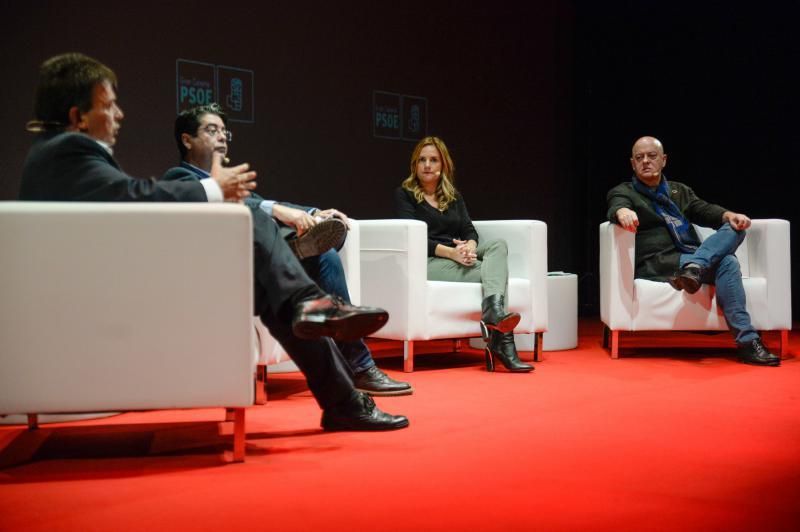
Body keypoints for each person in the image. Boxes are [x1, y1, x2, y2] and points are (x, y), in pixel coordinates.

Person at [19, 52, 410, 430]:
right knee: (255, 226)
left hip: (121, 277)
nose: (119, 114)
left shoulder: (57, 156)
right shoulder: (67, 154)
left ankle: (338, 389)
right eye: (109, 105)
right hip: (115, 293)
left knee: (274, 290)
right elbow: (135, 197)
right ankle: (314, 314)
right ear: (78, 116)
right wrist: (215, 191)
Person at [161, 104, 412, 396]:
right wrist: (279, 210)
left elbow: (260, 201)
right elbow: (244, 204)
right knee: (273, 223)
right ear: (187, 139)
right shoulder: (179, 179)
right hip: (226, 270)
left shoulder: (228, 181)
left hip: (259, 264)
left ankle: (359, 365)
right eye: (211, 130)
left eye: (224, 131)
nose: (222, 137)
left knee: (325, 256)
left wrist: (313, 212)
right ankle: (296, 258)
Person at [606, 135, 780, 366]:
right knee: (728, 262)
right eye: (640, 157)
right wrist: (622, 213)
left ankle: (695, 267)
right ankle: (748, 342)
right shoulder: (625, 191)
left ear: (664, 160)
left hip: (687, 257)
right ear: (632, 163)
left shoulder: (679, 191)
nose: (646, 161)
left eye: (652, 156)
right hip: (659, 260)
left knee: (735, 229)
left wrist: (729, 215)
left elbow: (705, 210)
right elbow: (616, 204)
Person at [394, 136, 534, 373]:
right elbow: (413, 238)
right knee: (495, 275)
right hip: (427, 260)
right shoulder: (404, 194)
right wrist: (452, 253)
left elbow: (470, 230)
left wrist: (469, 245)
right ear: (414, 165)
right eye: (422, 160)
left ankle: (494, 314)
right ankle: (503, 345)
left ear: (443, 166)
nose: (427, 165)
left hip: (456, 252)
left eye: (433, 160)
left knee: (498, 245)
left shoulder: (453, 197)